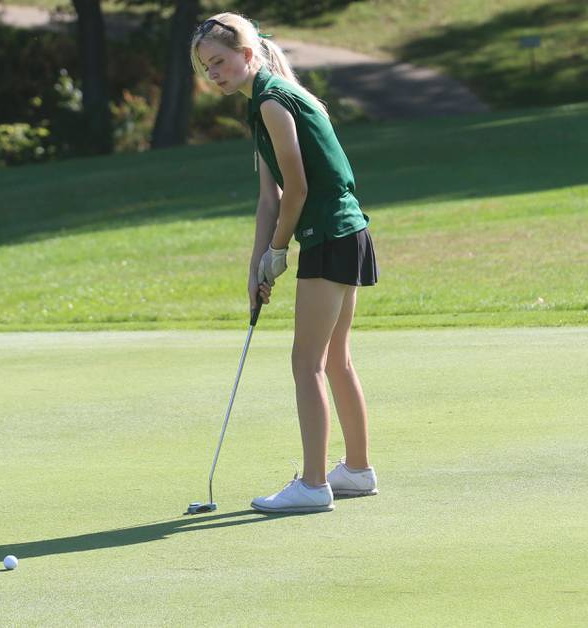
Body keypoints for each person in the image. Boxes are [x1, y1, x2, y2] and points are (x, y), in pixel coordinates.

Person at [191, 13, 379, 513]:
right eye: (207, 68)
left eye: (220, 62)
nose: (214, 74)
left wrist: (279, 250)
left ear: (248, 55)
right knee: (335, 358)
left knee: (307, 363)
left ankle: (315, 485)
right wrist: (257, 265)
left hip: (330, 233)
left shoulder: (273, 103)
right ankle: (357, 472)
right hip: (345, 232)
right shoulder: (261, 106)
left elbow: (297, 189)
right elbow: (269, 197)